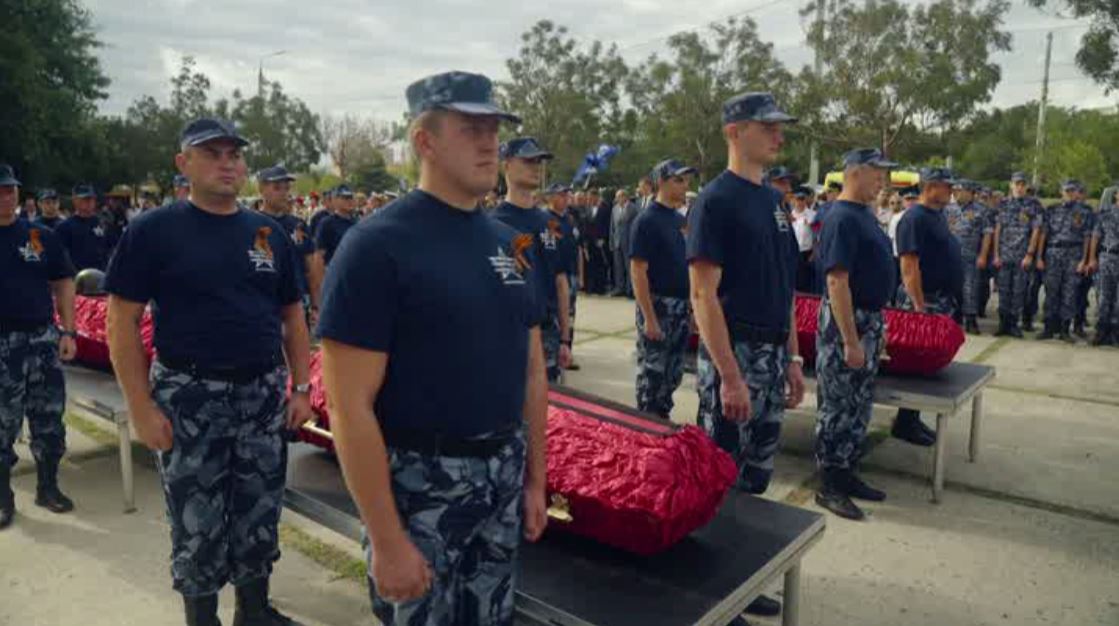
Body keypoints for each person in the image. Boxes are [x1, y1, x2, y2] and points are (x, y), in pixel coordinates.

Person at [316, 71, 547, 626]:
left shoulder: (507, 243)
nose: (490, 142)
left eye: (493, 127)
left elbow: (532, 369)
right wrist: (386, 540)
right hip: (420, 490)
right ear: (425, 141)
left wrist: (537, 480)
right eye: (471, 129)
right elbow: (350, 406)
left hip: (501, 478)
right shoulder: (377, 245)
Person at [104, 118, 312, 626]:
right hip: (189, 395)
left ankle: (254, 610)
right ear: (184, 164)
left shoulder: (269, 234)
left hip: (261, 394)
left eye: (234, 154)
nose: (227, 163)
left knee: (260, 507)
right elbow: (121, 321)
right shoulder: (153, 230)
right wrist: (140, 407)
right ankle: (202, 617)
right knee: (196, 519)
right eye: (213, 153)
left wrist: (302, 386)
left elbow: (292, 316)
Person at [687, 92, 804, 620]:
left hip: (773, 353)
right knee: (720, 478)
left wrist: (795, 358)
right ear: (735, 131)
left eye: (780, 127)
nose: (779, 135)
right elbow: (703, 295)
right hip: (734, 356)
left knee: (755, 476)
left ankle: (740, 577)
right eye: (768, 126)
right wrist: (730, 377)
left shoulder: (772, 201)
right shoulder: (716, 200)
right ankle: (714, 592)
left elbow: (784, 289)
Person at [812, 149, 898, 521]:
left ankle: (847, 472)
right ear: (856, 173)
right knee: (837, 404)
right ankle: (829, 483)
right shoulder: (841, 217)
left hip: (868, 319)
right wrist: (849, 339)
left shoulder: (864, 214)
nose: (883, 181)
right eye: (877, 174)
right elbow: (837, 280)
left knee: (859, 402)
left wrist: (878, 324)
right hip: (847, 322)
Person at [0, 163, 78, 530]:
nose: (6, 196)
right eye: (0, 190)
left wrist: (68, 331)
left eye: (10, 189)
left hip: (42, 339)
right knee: (2, 424)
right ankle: (3, 496)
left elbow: (64, 281)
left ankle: (48, 486)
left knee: (49, 419)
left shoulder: (39, 235)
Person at [892, 168, 963, 447]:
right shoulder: (914, 218)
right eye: (947, 186)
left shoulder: (936, 216)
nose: (951, 191)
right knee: (915, 362)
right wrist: (919, 307)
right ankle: (905, 422)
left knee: (926, 365)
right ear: (930, 187)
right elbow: (909, 265)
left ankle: (910, 418)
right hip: (923, 299)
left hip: (940, 298)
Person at [494, 137, 573, 382]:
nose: (536, 167)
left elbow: (561, 282)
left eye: (539, 161)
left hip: (547, 333)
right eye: (528, 161)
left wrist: (565, 339)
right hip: (506, 334)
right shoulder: (493, 222)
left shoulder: (550, 223)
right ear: (507, 165)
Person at [630, 159, 695, 419]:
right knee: (652, 374)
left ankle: (662, 418)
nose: (685, 186)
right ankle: (646, 426)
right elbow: (638, 271)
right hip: (657, 305)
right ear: (661, 182)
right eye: (679, 180)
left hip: (679, 306)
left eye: (686, 180)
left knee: (673, 372)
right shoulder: (647, 220)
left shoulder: (681, 220)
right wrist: (649, 317)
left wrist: (690, 309)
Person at [258, 165, 325, 326]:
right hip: (265, 306)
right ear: (262, 189)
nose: (284, 193)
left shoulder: (298, 225)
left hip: (298, 303)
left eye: (287, 188)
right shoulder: (252, 224)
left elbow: (311, 269)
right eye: (277, 188)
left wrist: (317, 306)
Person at [1034, 180, 1094, 342]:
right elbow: (1044, 234)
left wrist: (1084, 259)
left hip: (1074, 254)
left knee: (1069, 293)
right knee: (1051, 291)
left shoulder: (1085, 212)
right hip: (1053, 253)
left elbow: (1087, 236)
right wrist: (1039, 257)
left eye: (1072, 191)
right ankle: (1048, 328)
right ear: (1061, 192)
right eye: (1066, 191)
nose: (1069, 193)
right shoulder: (1052, 210)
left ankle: (1064, 329)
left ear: (1077, 192)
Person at [993, 172, 1043, 338]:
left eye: (1023, 184)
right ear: (1011, 185)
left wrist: (1030, 254)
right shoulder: (1003, 204)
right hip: (1004, 255)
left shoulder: (1033, 205)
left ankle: (1013, 324)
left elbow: (1036, 230)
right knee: (1003, 291)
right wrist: (996, 254)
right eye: (1017, 184)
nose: (1020, 187)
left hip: (1022, 255)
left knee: (1019, 292)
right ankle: (1003, 323)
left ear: (1026, 186)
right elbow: (998, 229)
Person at [945, 180, 993, 334]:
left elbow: (987, 234)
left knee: (970, 288)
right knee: (952, 288)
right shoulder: (948, 209)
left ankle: (971, 319)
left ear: (970, 192)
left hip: (970, 255)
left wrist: (983, 255)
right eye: (956, 189)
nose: (956, 192)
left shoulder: (981, 210)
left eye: (961, 190)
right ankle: (953, 318)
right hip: (951, 257)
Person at [547, 183, 582, 372]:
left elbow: (577, 250)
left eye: (566, 195)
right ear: (551, 197)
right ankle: (555, 351)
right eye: (561, 195)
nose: (565, 199)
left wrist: (580, 275)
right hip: (555, 277)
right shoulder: (546, 220)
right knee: (556, 316)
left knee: (570, 317)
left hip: (571, 275)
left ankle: (567, 350)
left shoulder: (569, 220)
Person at [55, 183, 112, 271]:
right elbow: (61, 256)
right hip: (76, 277)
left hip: (100, 275)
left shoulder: (102, 224)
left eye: (91, 199)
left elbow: (109, 250)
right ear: (75, 201)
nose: (89, 202)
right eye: (85, 199)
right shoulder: (64, 227)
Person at [1089, 197, 1119, 345]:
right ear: (1116, 195)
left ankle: (1115, 332)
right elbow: (1095, 236)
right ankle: (1101, 330)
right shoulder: (1105, 213)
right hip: (1107, 256)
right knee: (1104, 296)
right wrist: (1092, 258)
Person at [314, 184, 357, 266]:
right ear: (335, 200)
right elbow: (319, 254)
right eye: (345, 198)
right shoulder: (327, 223)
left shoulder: (357, 222)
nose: (349, 201)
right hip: (334, 270)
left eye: (351, 198)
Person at [609, 188, 636, 297]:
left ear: (625, 197)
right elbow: (612, 227)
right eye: (617, 197)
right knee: (618, 266)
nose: (617, 199)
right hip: (617, 241)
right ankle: (619, 288)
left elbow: (635, 226)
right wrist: (611, 241)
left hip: (628, 242)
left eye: (619, 196)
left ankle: (630, 289)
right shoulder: (614, 209)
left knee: (628, 266)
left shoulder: (633, 209)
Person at [791, 186, 817, 293]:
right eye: (797, 199)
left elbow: (818, 236)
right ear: (793, 200)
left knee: (805, 286)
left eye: (802, 199)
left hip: (807, 254)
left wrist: (814, 253)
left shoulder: (813, 215)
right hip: (792, 253)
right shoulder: (789, 215)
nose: (800, 202)